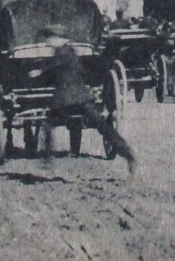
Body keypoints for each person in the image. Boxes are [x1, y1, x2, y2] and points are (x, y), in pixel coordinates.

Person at [31, 27, 136, 175]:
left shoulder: (62, 52)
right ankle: (127, 152)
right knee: (103, 127)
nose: (49, 42)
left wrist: (39, 71)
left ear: (59, 39)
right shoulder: (72, 51)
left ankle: (47, 160)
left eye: (50, 38)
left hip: (65, 100)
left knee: (48, 126)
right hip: (83, 97)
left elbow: (53, 66)